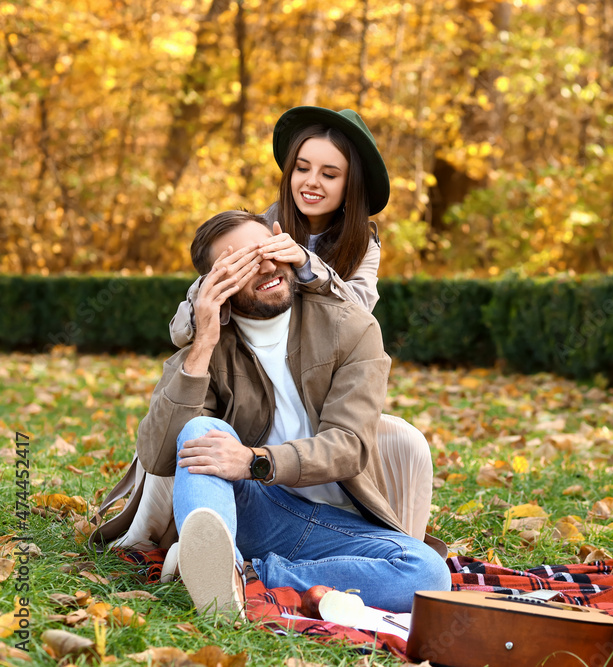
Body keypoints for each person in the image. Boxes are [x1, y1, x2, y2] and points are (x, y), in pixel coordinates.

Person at [110, 109, 430, 576]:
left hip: (320, 400)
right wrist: (209, 307)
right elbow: (185, 328)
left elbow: (356, 323)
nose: (312, 182)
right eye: (302, 168)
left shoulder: (361, 249)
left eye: (329, 173)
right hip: (254, 477)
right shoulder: (264, 226)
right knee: (199, 431)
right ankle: (191, 544)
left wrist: (308, 265)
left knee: (404, 448)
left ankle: (248, 574)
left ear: (350, 185)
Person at [98, 210, 451, 616]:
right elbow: (158, 456)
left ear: (283, 242)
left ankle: (234, 575)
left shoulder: (350, 327)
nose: (264, 265)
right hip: (250, 511)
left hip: (335, 522)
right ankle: (218, 563)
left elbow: (349, 446)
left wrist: (255, 461)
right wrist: (202, 345)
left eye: (266, 249)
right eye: (241, 264)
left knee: (427, 572)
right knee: (200, 428)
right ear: (215, 284)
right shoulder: (212, 344)